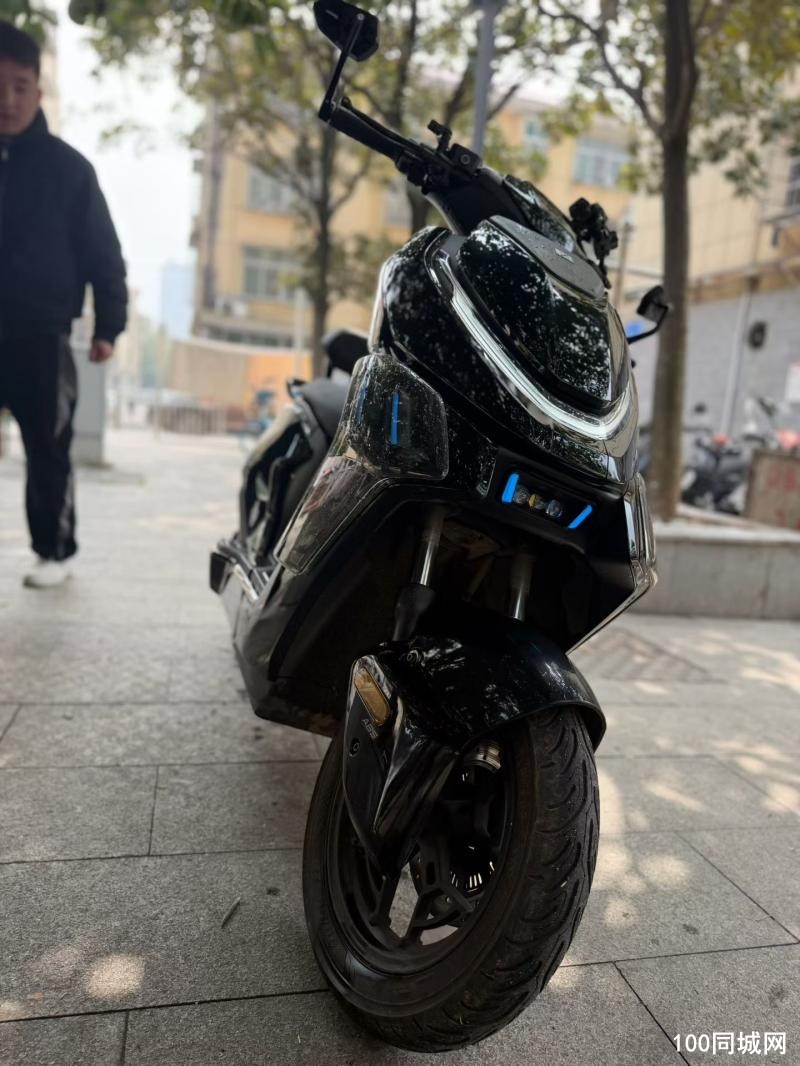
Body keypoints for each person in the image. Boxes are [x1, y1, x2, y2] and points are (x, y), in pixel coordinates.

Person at [0, 20, 127, 588]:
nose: (8, 100)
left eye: (20, 86)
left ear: (38, 90)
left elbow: (104, 252)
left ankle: (54, 552)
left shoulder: (70, 171)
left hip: (41, 333)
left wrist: (109, 325)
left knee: (48, 445)